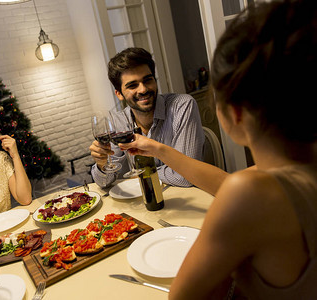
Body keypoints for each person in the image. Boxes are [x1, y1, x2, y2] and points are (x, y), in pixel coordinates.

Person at [123, 0, 317, 298]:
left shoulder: (249, 194)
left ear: (234, 113)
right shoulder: (288, 172)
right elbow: (226, 184)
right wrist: (159, 149)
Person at [89, 47, 205, 188]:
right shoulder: (117, 123)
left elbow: (186, 177)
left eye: (148, 80)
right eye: (133, 85)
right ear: (119, 94)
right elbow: (104, 182)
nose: (143, 89)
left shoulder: (182, 106)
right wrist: (102, 164)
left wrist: (139, 174)